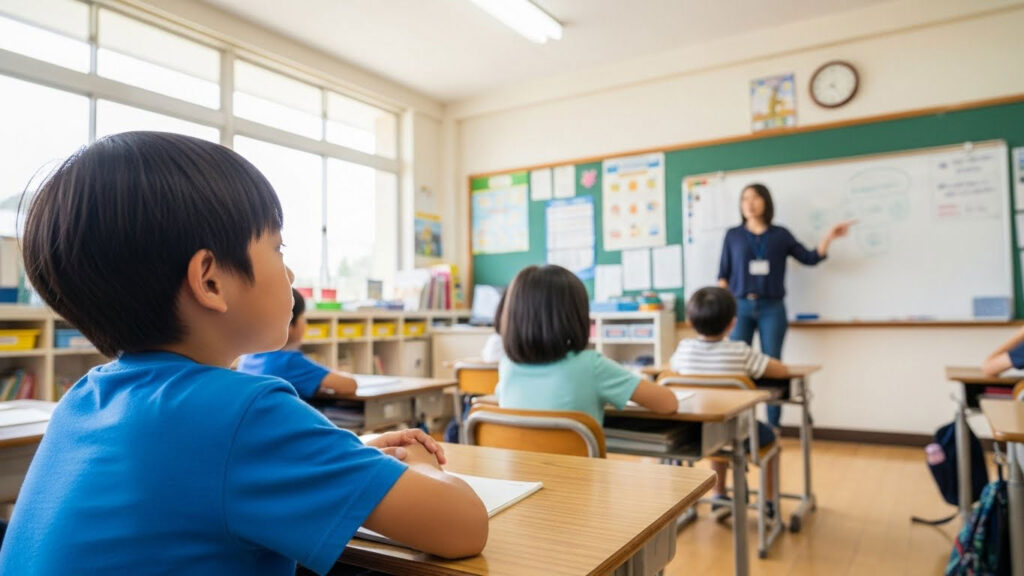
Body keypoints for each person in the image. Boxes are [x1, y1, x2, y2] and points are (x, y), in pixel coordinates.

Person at [0, 132, 487, 575]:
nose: (291, 273)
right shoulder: (245, 412)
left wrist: (345, 458)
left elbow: (199, 475)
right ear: (210, 280)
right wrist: (417, 467)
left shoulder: (84, 397)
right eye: (278, 248)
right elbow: (462, 526)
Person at [718, 183, 852, 427]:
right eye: (744, 199)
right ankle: (739, 425)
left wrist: (828, 238)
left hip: (772, 307)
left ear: (766, 202)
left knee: (773, 365)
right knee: (736, 364)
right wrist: (720, 310)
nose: (749, 203)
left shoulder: (780, 235)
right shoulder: (733, 235)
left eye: (755, 198)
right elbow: (723, 276)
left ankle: (772, 427)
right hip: (740, 307)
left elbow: (810, 258)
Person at [495, 265, 678, 426]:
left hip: (520, 466)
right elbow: (668, 404)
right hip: (576, 466)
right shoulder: (592, 366)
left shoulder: (507, 366)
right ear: (575, 315)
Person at [671, 287, 795, 517]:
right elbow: (779, 370)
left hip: (695, 433)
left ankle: (719, 496)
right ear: (732, 323)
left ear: (689, 321)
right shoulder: (740, 351)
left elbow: (671, 369)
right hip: (739, 434)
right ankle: (768, 502)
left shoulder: (684, 350)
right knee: (770, 440)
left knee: (718, 432)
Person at [237, 287, 357, 398]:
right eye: (303, 317)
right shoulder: (288, 361)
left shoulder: (248, 357)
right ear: (288, 324)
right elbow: (349, 385)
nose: (305, 324)